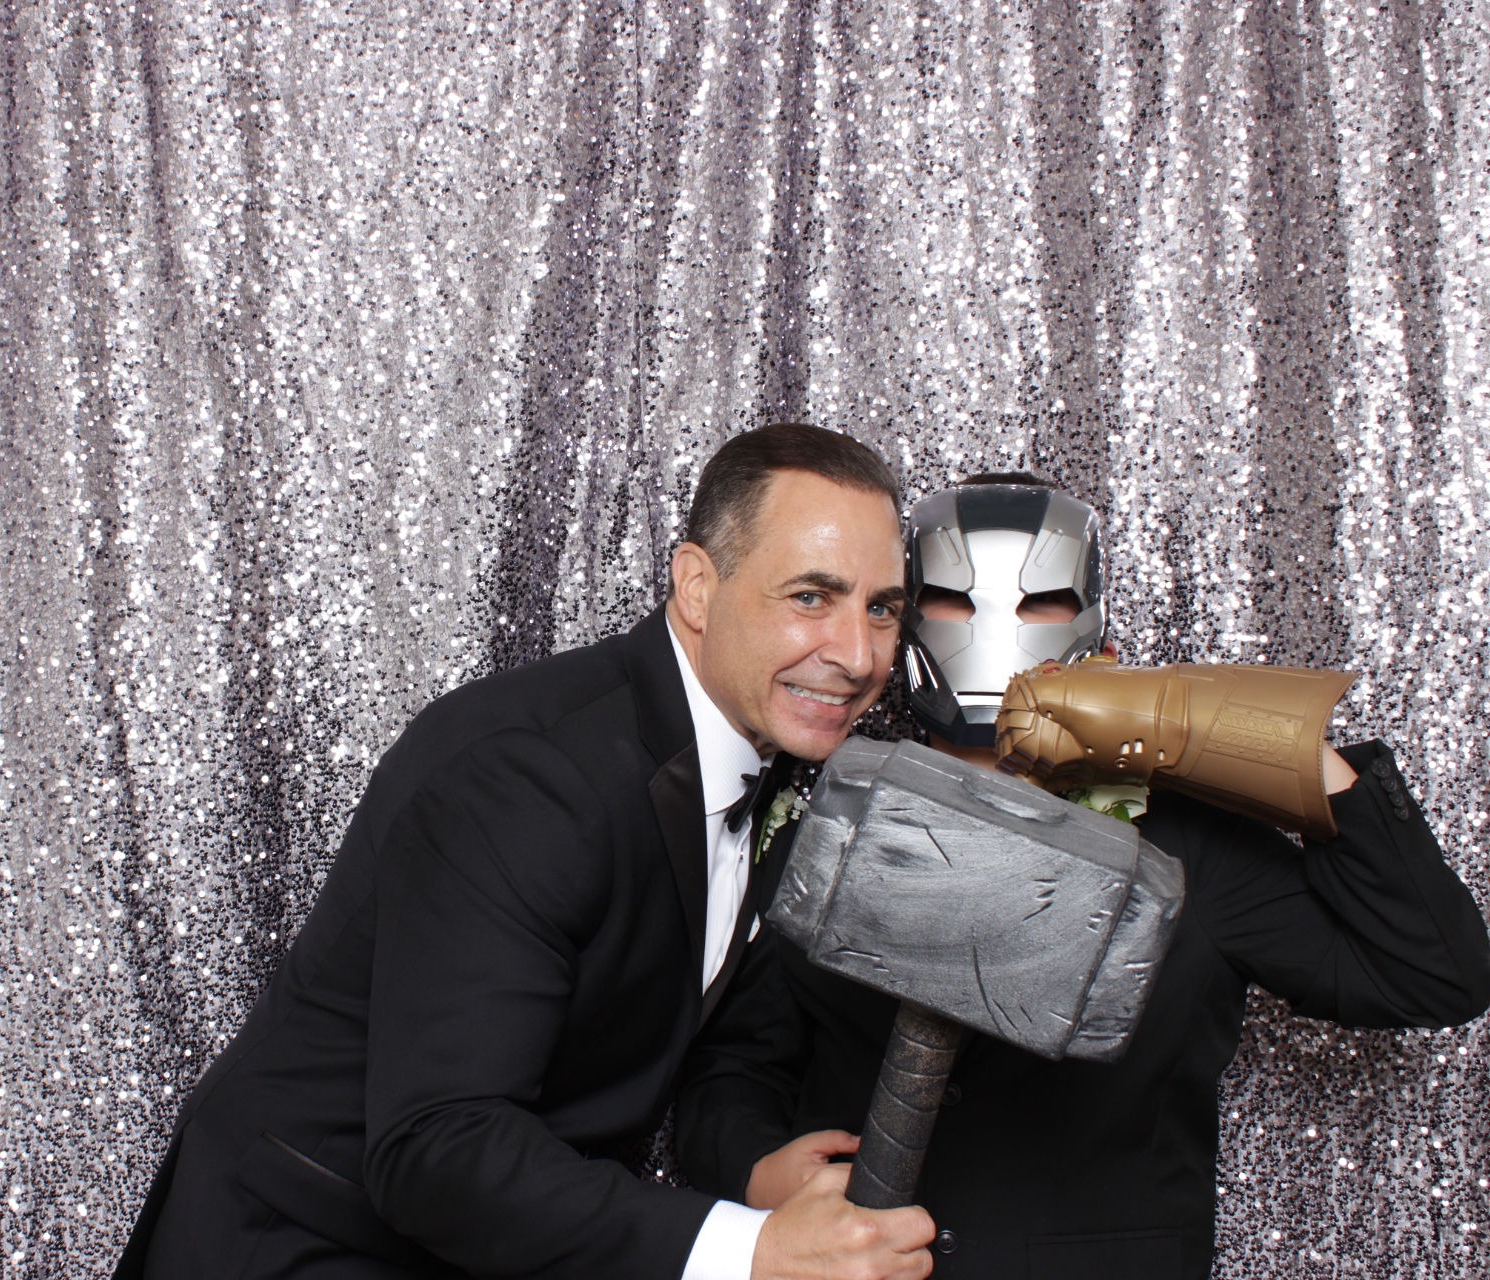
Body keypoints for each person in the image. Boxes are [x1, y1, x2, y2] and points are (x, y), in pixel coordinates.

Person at [114, 424, 939, 1279]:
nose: (857, 656)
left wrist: (755, 1169)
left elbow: (702, 1035)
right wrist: (750, 1251)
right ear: (698, 588)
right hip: (308, 1241)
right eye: (811, 597)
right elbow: (435, 1148)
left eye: (882, 608)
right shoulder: (529, 774)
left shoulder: (770, 746)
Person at [675, 474, 1490, 1280]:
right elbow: (734, 1068)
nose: (995, 625)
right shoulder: (826, 813)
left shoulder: (1194, 848)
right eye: (952, 599)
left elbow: (1435, 974)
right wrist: (754, 1167)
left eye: (1041, 602)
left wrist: (1276, 744)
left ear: (1092, 622)